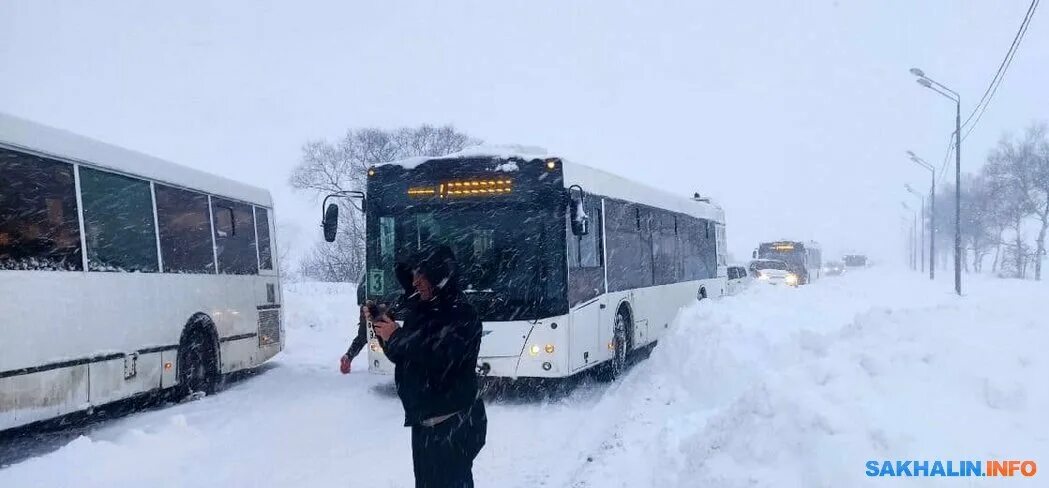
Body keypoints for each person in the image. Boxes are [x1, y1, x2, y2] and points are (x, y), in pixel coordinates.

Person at [370, 244, 487, 488]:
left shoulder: (462, 313)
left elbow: (443, 358)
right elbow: (403, 356)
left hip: (453, 426)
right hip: (425, 426)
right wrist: (383, 328)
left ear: (440, 277)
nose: (415, 282)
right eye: (413, 274)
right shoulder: (420, 311)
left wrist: (398, 337)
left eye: (421, 275)